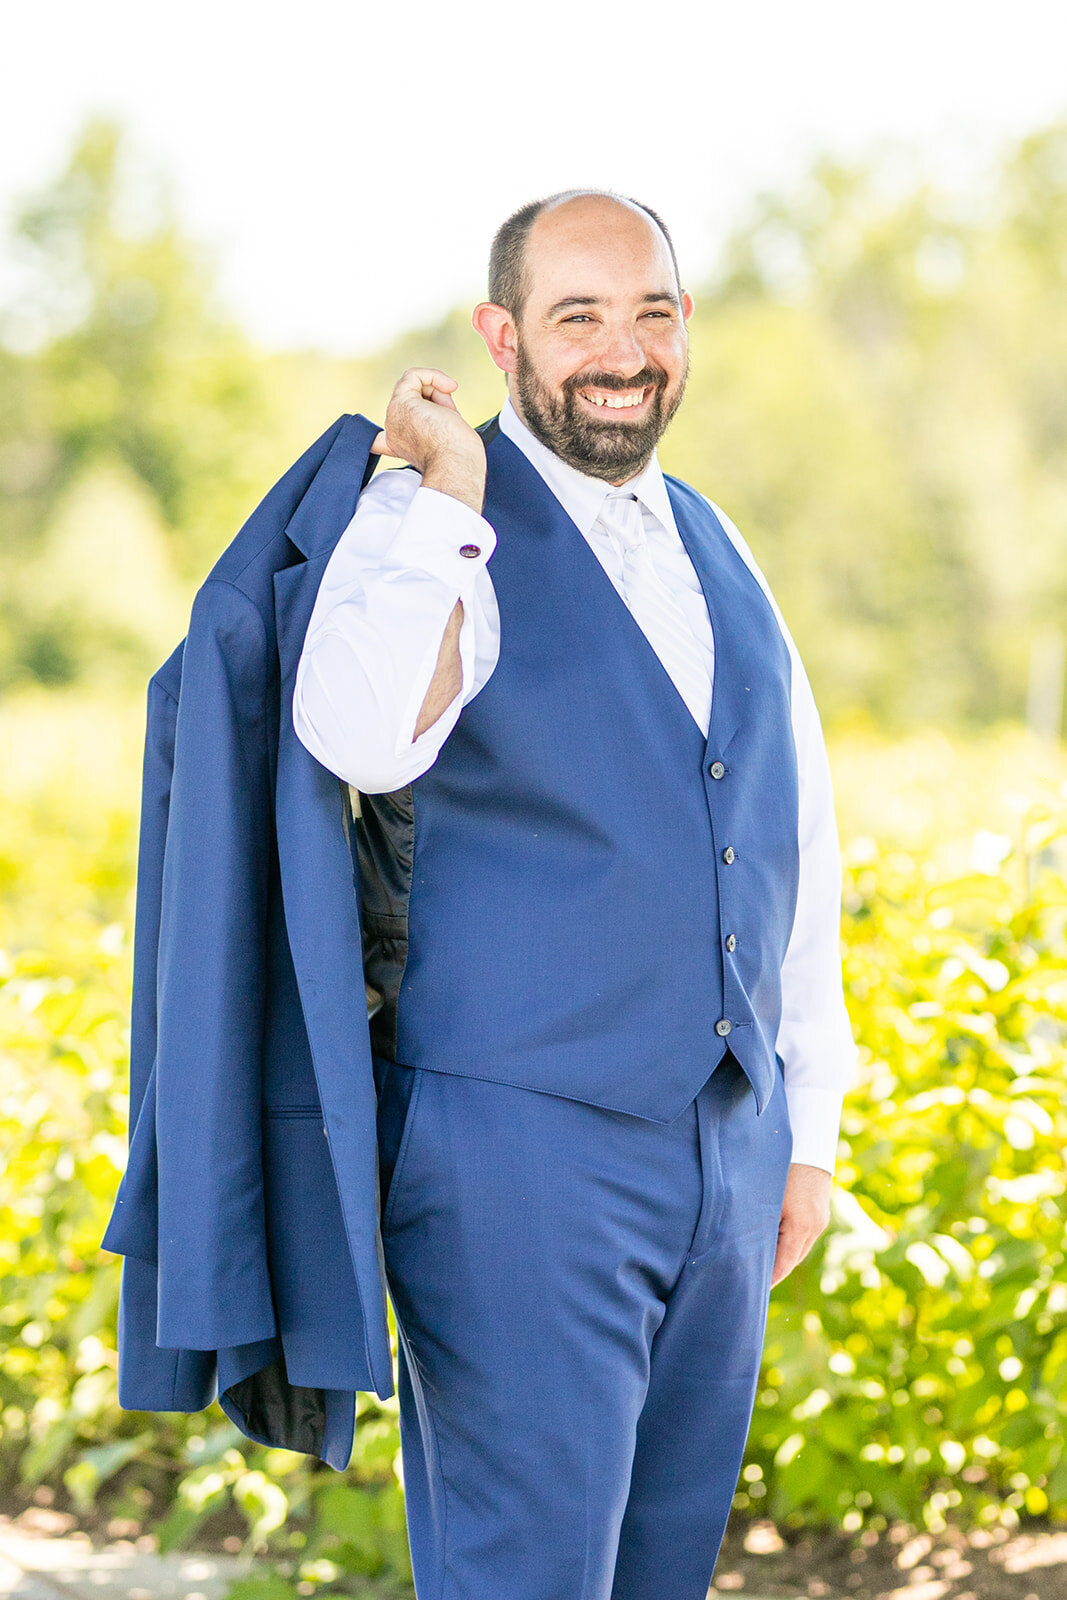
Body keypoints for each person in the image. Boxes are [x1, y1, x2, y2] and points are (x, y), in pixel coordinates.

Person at [293, 189, 856, 1600]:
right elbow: (359, 734)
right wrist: (452, 502)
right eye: (580, 315)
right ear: (504, 337)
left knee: (661, 1574)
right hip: (516, 1155)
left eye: (653, 311)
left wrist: (807, 1124)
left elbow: (795, 837)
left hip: (725, 1156)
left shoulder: (721, 547)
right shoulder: (425, 519)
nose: (624, 349)